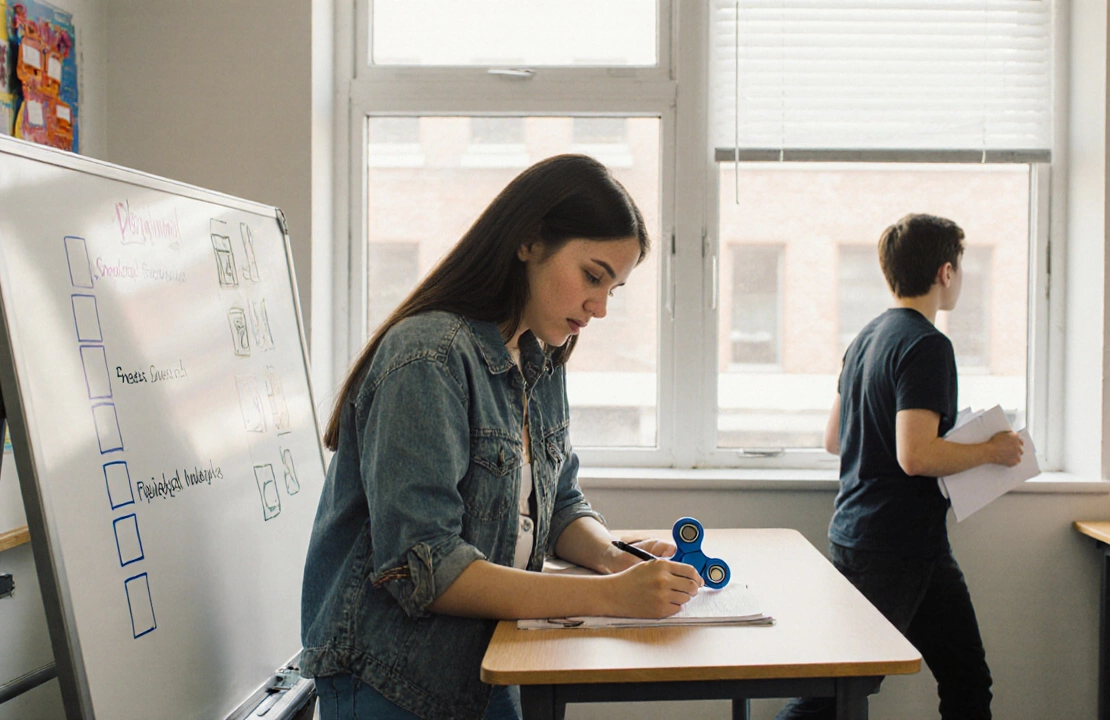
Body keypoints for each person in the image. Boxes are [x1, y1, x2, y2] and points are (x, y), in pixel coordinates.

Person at [299, 154, 703, 720]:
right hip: (394, 677)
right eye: (592, 276)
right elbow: (429, 569)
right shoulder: (429, 356)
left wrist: (615, 560)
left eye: (615, 287)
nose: (601, 307)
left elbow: (559, 504)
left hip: (488, 661)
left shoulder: (541, 355)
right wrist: (612, 596)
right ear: (528, 243)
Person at [776, 213, 1023, 720]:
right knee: (839, 693)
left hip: (867, 536)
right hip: (898, 547)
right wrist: (992, 451)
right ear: (945, 273)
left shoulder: (867, 336)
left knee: (964, 679)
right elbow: (917, 455)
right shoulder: (928, 344)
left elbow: (833, 440)